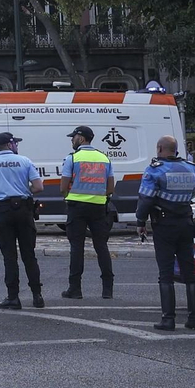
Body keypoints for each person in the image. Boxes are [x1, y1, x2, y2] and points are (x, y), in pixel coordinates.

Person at [137, 136, 195, 331]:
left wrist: (141, 221)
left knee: (165, 273)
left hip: (165, 225)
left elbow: (146, 199)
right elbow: (193, 190)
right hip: (186, 223)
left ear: (159, 148)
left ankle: (168, 319)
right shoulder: (191, 168)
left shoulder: (155, 170)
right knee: (190, 273)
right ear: (175, 149)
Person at [0, 132, 44, 310]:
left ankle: (13, 297)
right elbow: (38, 187)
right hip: (24, 210)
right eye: (16, 143)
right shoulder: (25, 161)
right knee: (29, 255)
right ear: (9, 144)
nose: (17, 146)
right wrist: (25, 191)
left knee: (9, 257)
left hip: (4, 211)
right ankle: (37, 296)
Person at [59, 125, 115, 299]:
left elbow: (63, 187)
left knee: (77, 247)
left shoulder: (72, 158)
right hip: (98, 207)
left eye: (73, 137)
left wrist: (69, 196)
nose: (71, 140)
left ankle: (75, 289)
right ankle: (107, 289)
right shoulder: (104, 158)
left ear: (81, 138)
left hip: (77, 207)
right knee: (101, 246)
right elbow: (110, 187)